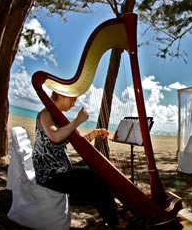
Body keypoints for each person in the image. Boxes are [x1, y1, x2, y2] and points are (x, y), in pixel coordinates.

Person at [32, 91, 125, 229]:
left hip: (60, 168)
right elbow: (56, 136)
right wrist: (77, 121)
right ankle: (114, 223)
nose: (74, 103)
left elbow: (76, 142)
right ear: (62, 95)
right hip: (50, 175)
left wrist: (96, 133)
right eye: (72, 99)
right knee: (94, 179)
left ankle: (111, 207)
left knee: (97, 169)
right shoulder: (46, 114)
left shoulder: (57, 117)